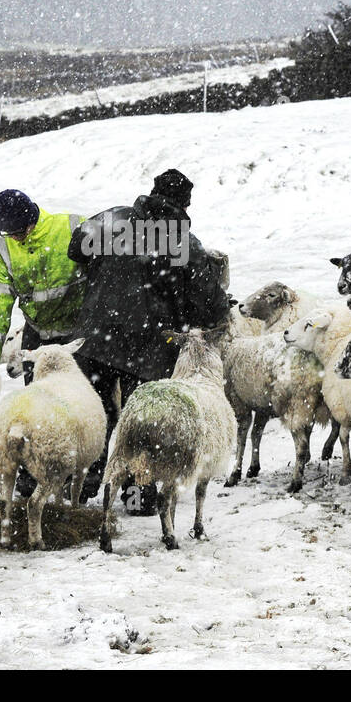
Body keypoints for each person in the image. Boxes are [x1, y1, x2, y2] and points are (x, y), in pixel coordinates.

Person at [66, 168, 230, 511]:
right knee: (142, 420)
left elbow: (74, 248)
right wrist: (213, 317)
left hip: (97, 336)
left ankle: (83, 483)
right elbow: (206, 297)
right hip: (148, 348)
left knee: (96, 413)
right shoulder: (182, 240)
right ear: (184, 203)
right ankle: (138, 493)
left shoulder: (112, 220)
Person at [0, 189, 86, 383]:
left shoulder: (71, 228)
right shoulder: (3, 251)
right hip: (37, 337)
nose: (14, 237)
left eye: (18, 232)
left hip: (78, 336)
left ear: (30, 219)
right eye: (7, 233)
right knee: (38, 403)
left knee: (81, 399)